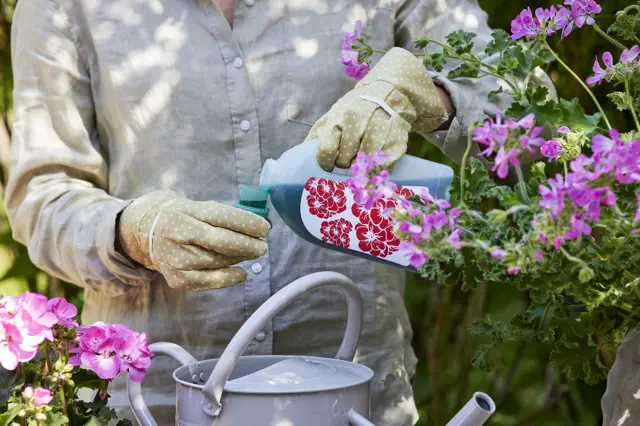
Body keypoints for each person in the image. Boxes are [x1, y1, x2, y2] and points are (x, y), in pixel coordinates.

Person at [6, 0, 544, 424]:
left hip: (351, 395)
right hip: (158, 403)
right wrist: (133, 232)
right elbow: (43, 197)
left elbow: (528, 107)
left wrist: (433, 97)